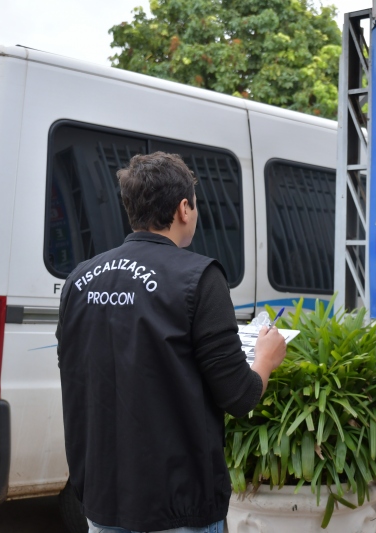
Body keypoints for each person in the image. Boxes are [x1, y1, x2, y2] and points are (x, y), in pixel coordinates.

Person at [56, 152, 287, 533]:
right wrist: (265, 358)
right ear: (184, 208)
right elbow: (239, 396)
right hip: (180, 506)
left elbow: (80, 374)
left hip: (102, 500)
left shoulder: (79, 281)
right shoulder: (200, 277)